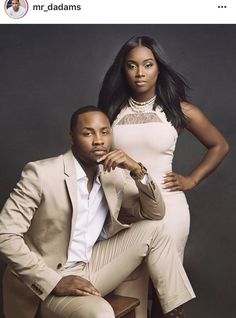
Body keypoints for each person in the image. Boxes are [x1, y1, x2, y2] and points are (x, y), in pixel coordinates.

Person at [0, 106, 195, 318]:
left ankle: (174, 313)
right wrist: (53, 281)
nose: (99, 140)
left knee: (155, 229)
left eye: (105, 132)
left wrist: (138, 170)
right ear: (71, 137)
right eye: (88, 133)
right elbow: (5, 235)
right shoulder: (41, 174)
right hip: (48, 280)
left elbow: (155, 213)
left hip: (91, 267)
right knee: (101, 314)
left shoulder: (113, 176)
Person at [98, 35, 229, 317]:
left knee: (165, 292)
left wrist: (191, 179)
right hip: (123, 210)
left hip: (168, 208)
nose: (140, 73)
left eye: (148, 65)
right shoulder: (110, 111)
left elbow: (220, 145)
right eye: (132, 66)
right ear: (123, 70)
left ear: (159, 68)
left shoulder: (177, 110)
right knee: (125, 293)